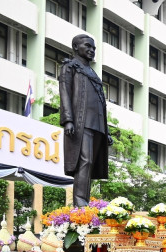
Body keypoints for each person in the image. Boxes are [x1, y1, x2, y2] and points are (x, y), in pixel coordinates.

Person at [59, 34, 113, 207]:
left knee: (90, 165)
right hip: (82, 123)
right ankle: (80, 204)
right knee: (85, 161)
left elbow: (101, 103)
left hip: (98, 125)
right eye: (87, 46)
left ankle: (85, 203)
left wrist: (107, 131)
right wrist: (68, 120)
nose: (91, 50)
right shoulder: (70, 67)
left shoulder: (92, 72)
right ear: (76, 47)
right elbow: (65, 93)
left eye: (93, 48)